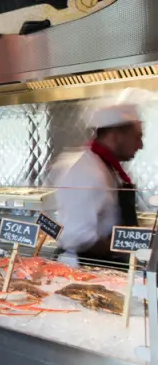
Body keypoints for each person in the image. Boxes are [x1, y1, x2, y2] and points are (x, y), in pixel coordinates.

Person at [54, 102, 143, 264]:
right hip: (84, 266)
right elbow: (78, 237)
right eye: (137, 137)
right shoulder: (86, 171)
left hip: (104, 263)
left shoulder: (106, 167)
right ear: (116, 135)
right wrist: (126, 248)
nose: (140, 146)